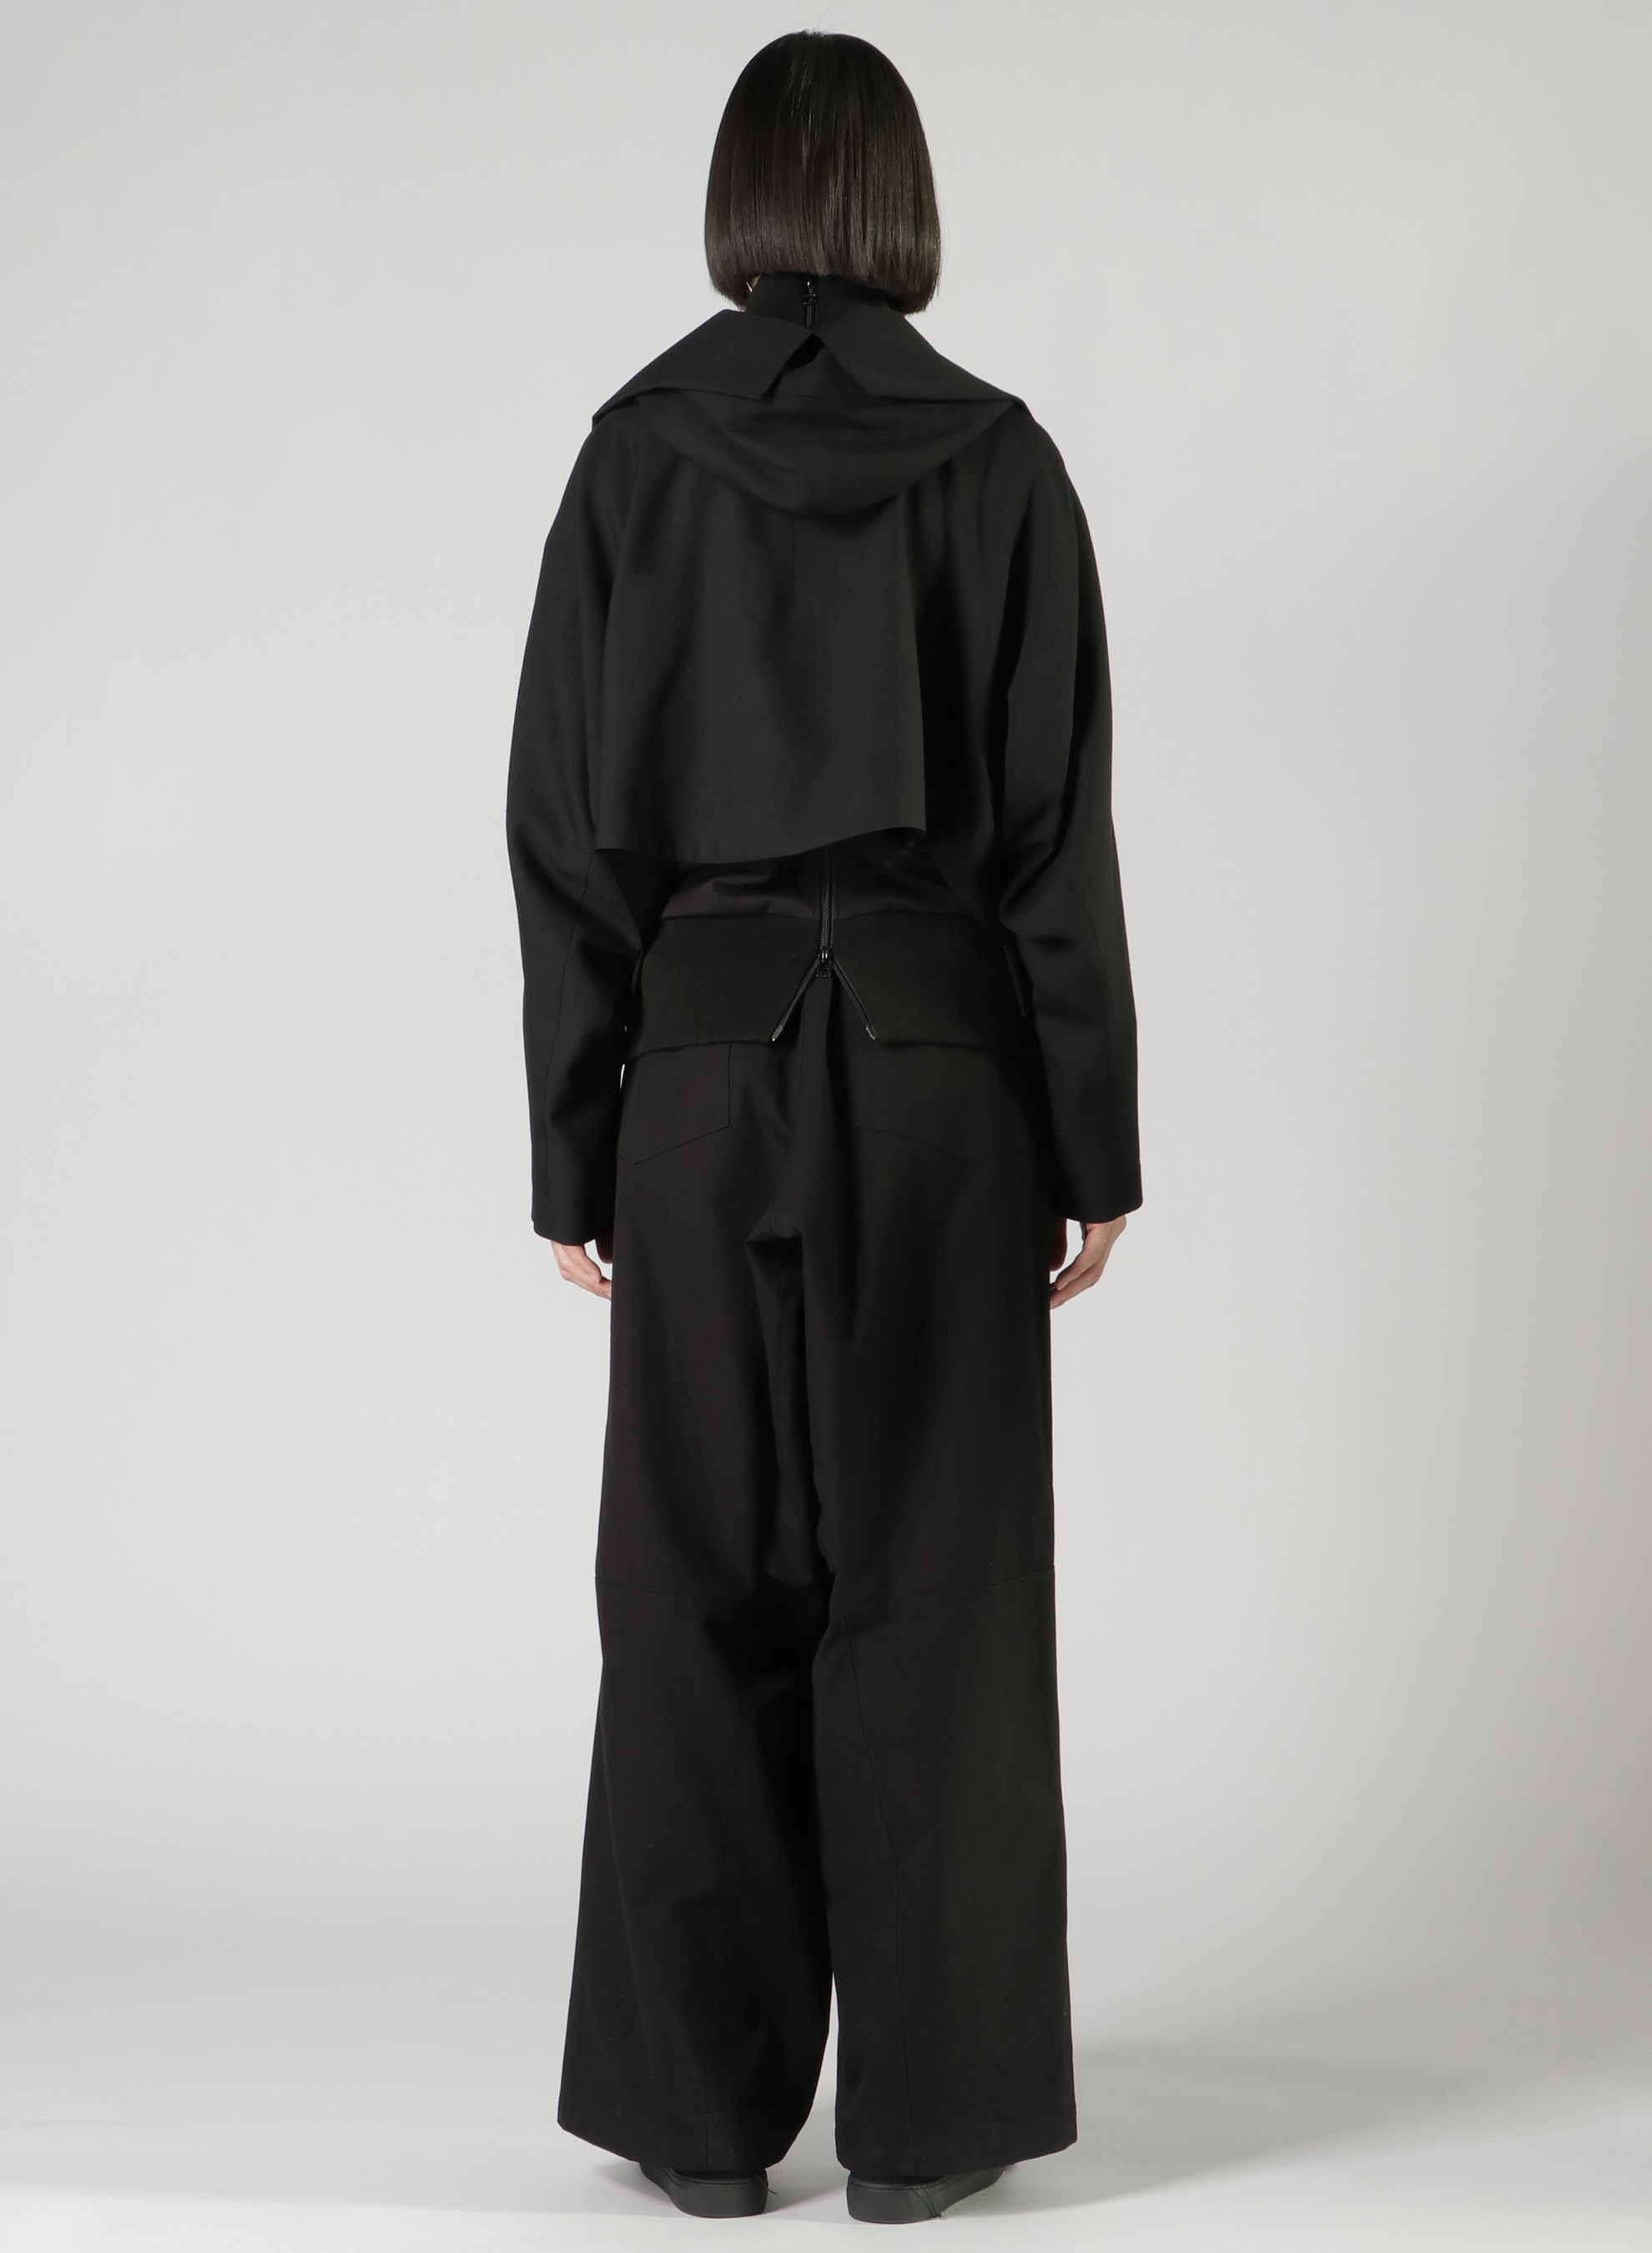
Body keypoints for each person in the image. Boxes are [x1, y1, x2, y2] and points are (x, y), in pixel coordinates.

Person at [506, 29, 1140, 2225]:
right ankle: (931, 2124)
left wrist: (573, 1142)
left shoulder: (629, 459)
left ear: (739, 196)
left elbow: (568, 827)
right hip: (940, 1077)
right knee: (938, 1583)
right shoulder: (999, 461)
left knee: (694, 1575)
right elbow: (1052, 830)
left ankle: (696, 2116)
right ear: (898, 199)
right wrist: (1089, 1141)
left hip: (697, 1072)